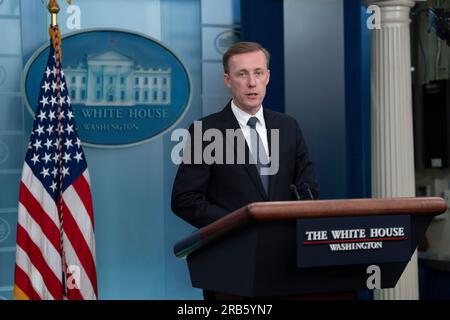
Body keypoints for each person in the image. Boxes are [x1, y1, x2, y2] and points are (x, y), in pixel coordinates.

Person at [171, 41, 319, 228]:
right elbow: (185, 200)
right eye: (242, 74)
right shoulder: (206, 131)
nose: (252, 83)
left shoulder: (288, 126)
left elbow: (308, 189)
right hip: (234, 247)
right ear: (228, 80)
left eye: (258, 73)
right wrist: (237, 225)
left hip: (286, 247)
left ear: (267, 76)